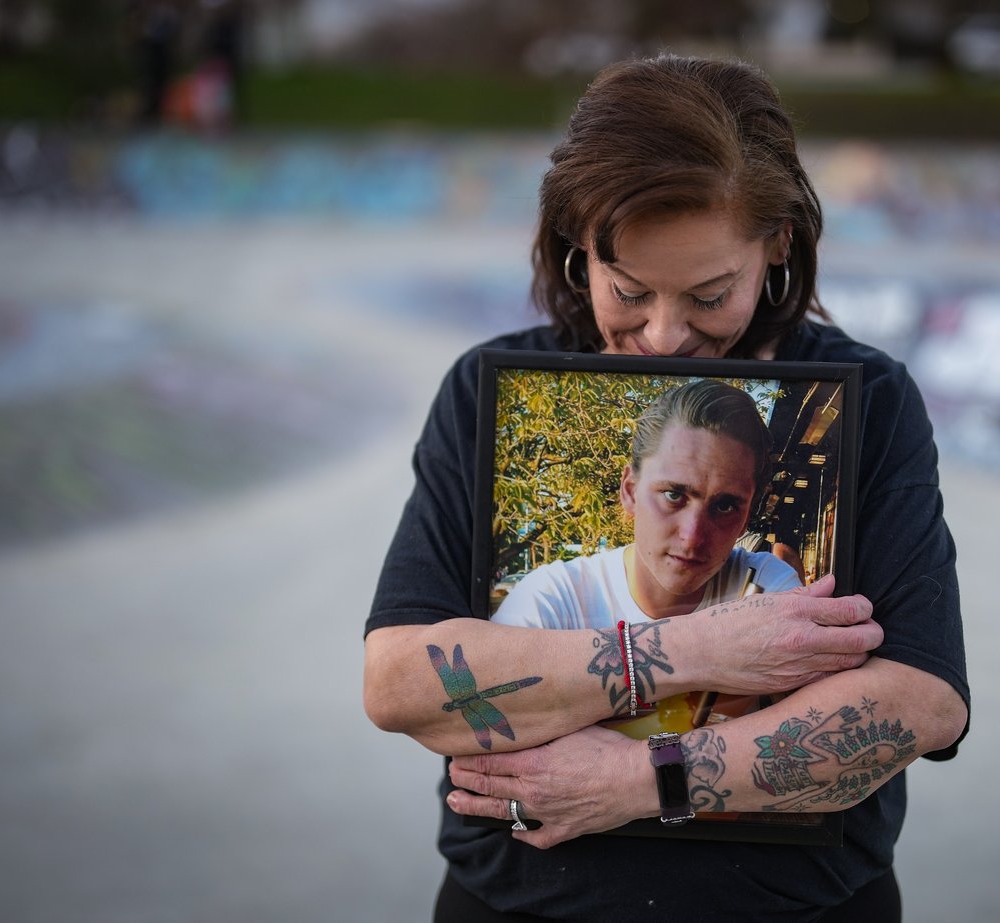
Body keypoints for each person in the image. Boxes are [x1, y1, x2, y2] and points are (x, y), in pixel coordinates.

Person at [364, 54, 969, 922]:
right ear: (579, 244)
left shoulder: (869, 403)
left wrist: (647, 777)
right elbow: (401, 682)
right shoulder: (487, 394)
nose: (662, 332)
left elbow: (923, 699)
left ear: (778, 246)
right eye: (629, 289)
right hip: (521, 903)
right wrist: (699, 652)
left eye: (710, 295)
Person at [492, 379, 802, 632]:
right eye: (673, 495)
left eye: (724, 507)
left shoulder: (765, 584)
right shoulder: (554, 600)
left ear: (747, 517)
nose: (693, 536)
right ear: (629, 492)